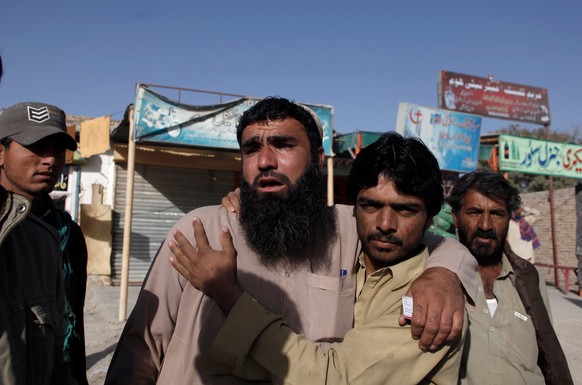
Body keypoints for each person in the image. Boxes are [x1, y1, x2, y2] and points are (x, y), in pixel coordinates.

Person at [105, 97, 475, 385]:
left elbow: (429, 239)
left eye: (282, 145)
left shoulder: (351, 229)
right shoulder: (199, 231)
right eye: (252, 149)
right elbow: (142, 350)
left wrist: (443, 273)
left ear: (316, 159)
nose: (265, 160)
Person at [447, 169, 573, 385]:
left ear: (509, 219)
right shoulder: (441, 275)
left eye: (496, 213)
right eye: (475, 212)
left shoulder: (528, 278)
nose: (485, 225)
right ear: (456, 218)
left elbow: (548, 349)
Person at [0, 102, 89, 385]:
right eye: (37, 147)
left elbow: (73, 326)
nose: (50, 160)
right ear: (0, 152)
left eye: (58, 150)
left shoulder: (67, 235)